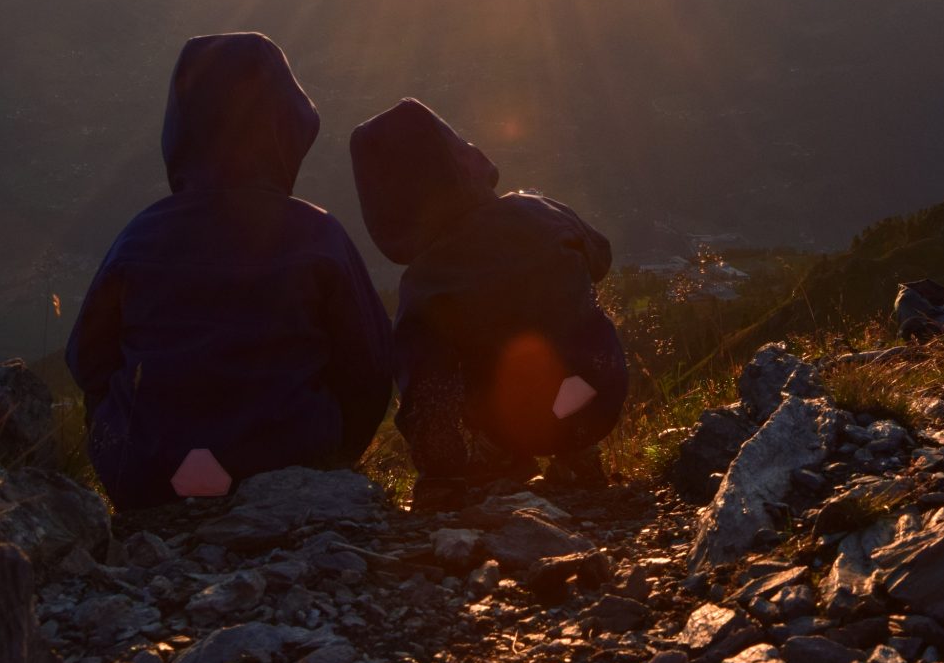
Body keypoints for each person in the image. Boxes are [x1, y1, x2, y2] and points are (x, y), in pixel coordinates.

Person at [66, 33, 392, 508]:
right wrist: (335, 453)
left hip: (144, 472)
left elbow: (87, 359)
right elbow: (370, 367)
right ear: (287, 128)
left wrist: (128, 435)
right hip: (294, 466)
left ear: (180, 131)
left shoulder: (140, 236)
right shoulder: (317, 235)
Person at [348, 98, 626, 507]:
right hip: (600, 391)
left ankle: (501, 453)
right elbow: (600, 257)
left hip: (519, 422)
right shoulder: (542, 211)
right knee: (581, 331)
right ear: (463, 155)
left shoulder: (427, 283)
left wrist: (440, 471)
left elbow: (428, 388)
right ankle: (578, 454)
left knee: (479, 372)